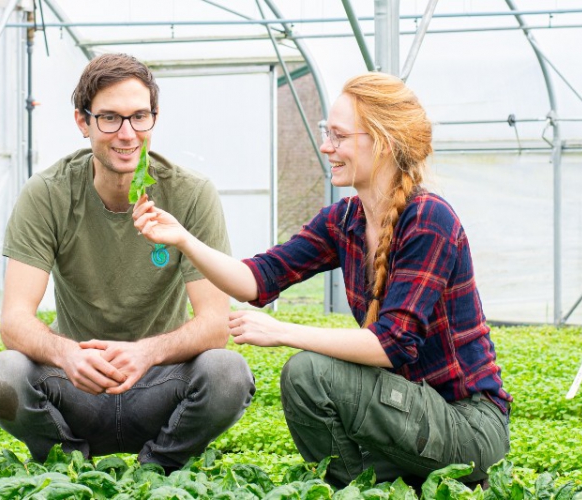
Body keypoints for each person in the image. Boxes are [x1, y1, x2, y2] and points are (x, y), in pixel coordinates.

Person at [133, 72, 511, 487]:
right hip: (407, 416)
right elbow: (256, 281)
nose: (326, 146)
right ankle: (370, 489)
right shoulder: (344, 220)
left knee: (309, 373)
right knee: (306, 378)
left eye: (339, 136)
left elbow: (391, 344)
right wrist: (183, 238)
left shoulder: (428, 219)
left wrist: (282, 331)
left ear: (381, 142)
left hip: (468, 425)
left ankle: (380, 486)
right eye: (326, 133)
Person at [0, 53, 255, 471]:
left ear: (154, 118)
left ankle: (157, 469)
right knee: (3, 373)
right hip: (76, 387)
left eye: (139, 117)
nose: (127, 134)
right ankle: (70, 467)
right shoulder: (48, 193)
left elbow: (215, 325)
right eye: (109, 118)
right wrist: (68, 355)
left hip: (162, 384)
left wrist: (146, 354)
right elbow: (14, 320)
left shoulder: (191, 194)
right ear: (82, 122)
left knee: (227, 371)